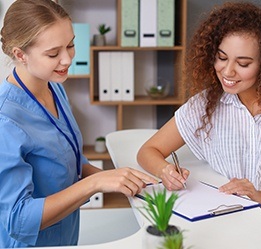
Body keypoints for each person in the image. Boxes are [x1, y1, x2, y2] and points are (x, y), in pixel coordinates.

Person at [0, 0, 157, 247]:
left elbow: (67, 160)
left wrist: (116, 179)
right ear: (20, 54)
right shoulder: (6, 121)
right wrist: (94, 184)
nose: (67, 59)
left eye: (71, 45)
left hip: (65, 237)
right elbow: (18, 219)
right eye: (53, 53)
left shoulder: (54, 89)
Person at [137, 2, 261, 231]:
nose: (228, 72)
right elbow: (148, 151)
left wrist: (260, 196)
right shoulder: (206, 105)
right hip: (228, 226)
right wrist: (165, 171)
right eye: (221, 57)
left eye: (243, 63)